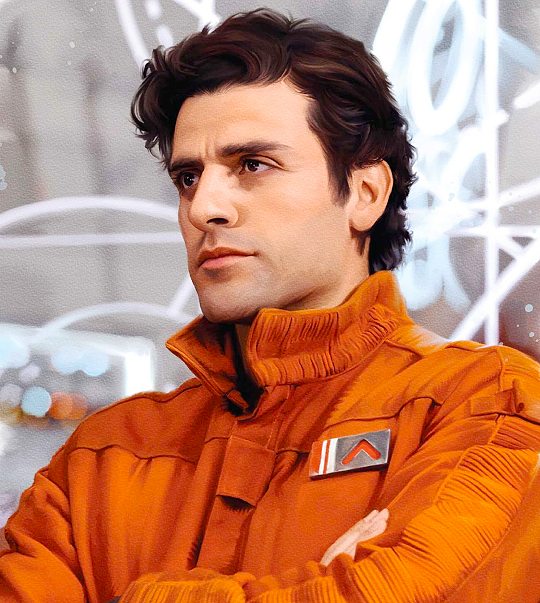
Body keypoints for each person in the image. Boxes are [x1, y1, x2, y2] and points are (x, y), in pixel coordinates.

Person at [1, 8, 540, 603]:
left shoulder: (484, 402)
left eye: (253, 165)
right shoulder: (102, 455)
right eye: (187, 177)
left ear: (365, 193)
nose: (204, 206)